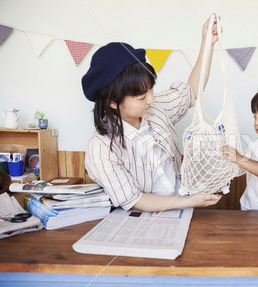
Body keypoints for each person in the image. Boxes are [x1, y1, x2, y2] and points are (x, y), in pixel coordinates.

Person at [81, 16, 222, 212]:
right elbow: (134, 200)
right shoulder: (101, 147)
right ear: (112, 102)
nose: (151, 99)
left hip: (184, 210)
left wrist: (207, 44)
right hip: (141, 220)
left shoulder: (156, 109)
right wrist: (190, 201)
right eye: (141, 97)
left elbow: (192, 91)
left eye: (151, 90)